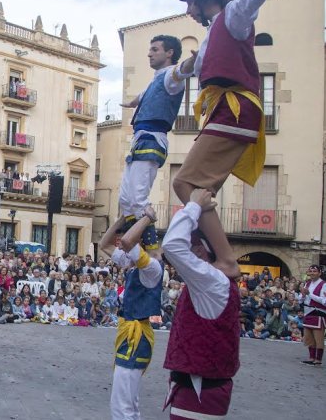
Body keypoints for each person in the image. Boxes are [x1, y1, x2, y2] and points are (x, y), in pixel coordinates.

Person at [171, 0, 284, 280]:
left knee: (184, 183)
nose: (188, 10)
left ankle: (224, 258)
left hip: (234, 109)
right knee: (197, 189)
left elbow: (246, 6)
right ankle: (210, 250)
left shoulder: (231, 17)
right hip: (227, 109)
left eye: (190, 2)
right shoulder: (215, 32)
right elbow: (198, 67)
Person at [161, 189, 242, 418]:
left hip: (201, 392)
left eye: (191, 246)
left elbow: (172, 245)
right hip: (198, 387)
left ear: (199, 250)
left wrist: (194, 205)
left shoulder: (211, 281)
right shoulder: (212, 281)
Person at [119, 35, 192, 250]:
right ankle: (136, 248)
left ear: (169, 53)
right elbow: (140, 97)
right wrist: (132, 103)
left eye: (154, 49)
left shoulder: (170, 76)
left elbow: (182, 71)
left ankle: (152, 252)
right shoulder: (156, 80)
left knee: (138, 198)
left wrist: (195, 60)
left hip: (152, 138)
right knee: (125, 199)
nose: (149, 54)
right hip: (140, 140)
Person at [99, 209, 163, 420]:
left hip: (135, 338)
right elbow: (104, 244)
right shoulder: (134, 265)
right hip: (132, 336)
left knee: (121, 405)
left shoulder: (152, 268)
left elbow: (126, 242)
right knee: (129, 402)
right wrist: (121, 218)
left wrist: (146, 218)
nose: (121, 244)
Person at [300, 264, 325, 366]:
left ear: (319, 273)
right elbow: (301, 299)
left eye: (315, 271)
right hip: (307, 312)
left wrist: (309, 294)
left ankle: (318, 360)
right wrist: (302, 296)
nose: (312, 273)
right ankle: (311, 358)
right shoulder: (307, 283)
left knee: (318, 338)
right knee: (308, 337)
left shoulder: (324, 285)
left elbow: (324, 301)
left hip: (318, 313)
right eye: (310, 271)